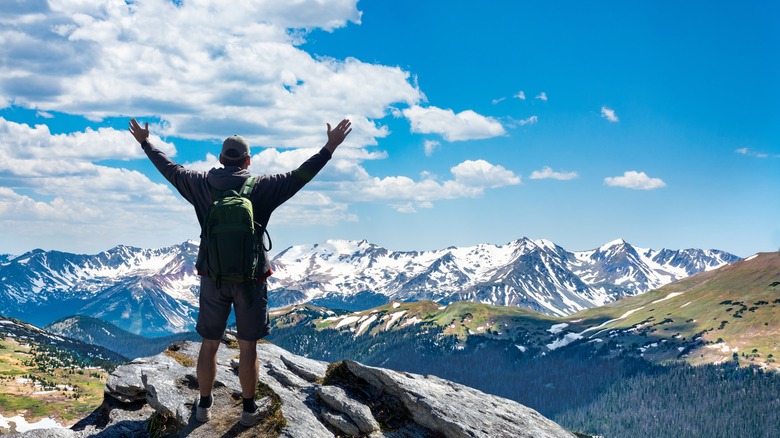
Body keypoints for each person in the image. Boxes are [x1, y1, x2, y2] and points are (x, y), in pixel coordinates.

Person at [128, 117, 351, 426]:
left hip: (213, 278)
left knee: (209, 345)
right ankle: (248, 411)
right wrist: (330, 147)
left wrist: (145, 142)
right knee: (248, 348)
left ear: (221, 159)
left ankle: (203, 407)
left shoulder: (201, 184)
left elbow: (170, 169)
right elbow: (301, 175)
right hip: (251, 280)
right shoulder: (264, 187)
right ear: (248, 160)